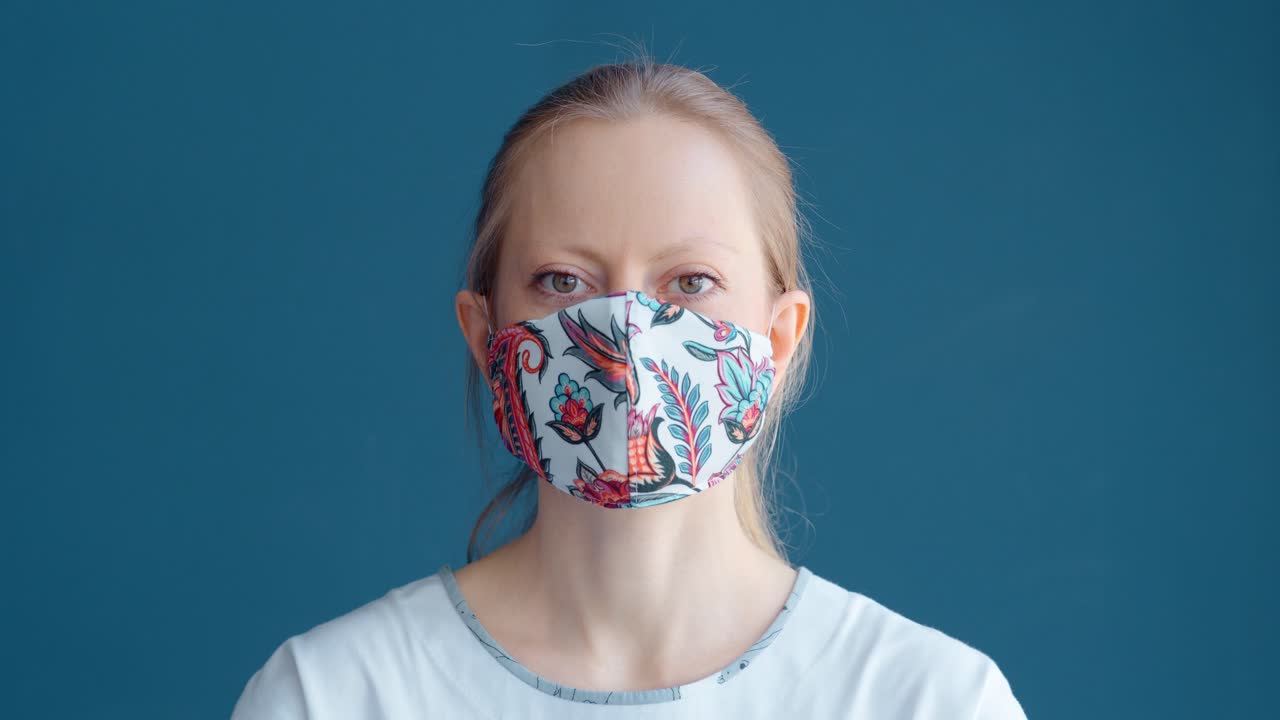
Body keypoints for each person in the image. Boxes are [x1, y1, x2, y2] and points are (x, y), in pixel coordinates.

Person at [231, 55, 1028, 719]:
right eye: (563, 280)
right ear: (487, 340)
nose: (626, 335)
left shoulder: (931, 703)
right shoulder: (331, 698)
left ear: (776, 341)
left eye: (690, 281)